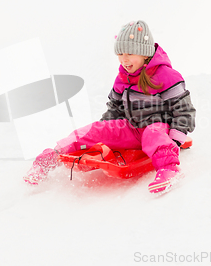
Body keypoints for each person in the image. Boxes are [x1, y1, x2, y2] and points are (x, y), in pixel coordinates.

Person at [23, 20, 196, 194]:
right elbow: (115, 107)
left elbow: (184, 111)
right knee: (94, 130)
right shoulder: (123, 77)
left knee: (152, 133)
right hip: (131, 129)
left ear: (144, 53)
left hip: (160, 127)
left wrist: (174, 141)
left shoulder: (166, 76)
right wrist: (104, 133)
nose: (124, 59)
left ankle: (169, 169)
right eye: (120, 54)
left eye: (129, 53)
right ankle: (48, 159)